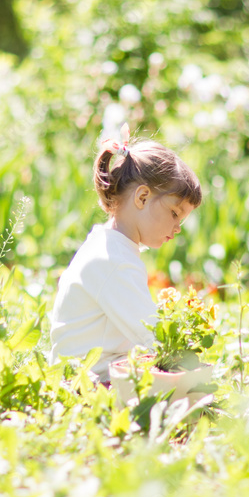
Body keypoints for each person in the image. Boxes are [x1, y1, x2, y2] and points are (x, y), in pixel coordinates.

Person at [48, 136, 202, 382]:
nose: (177, 228)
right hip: (88, 386)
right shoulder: (114, 261)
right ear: (142, 197)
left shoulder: (109, 246)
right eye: (174, 213)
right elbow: (154, 336)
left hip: (90, 377)